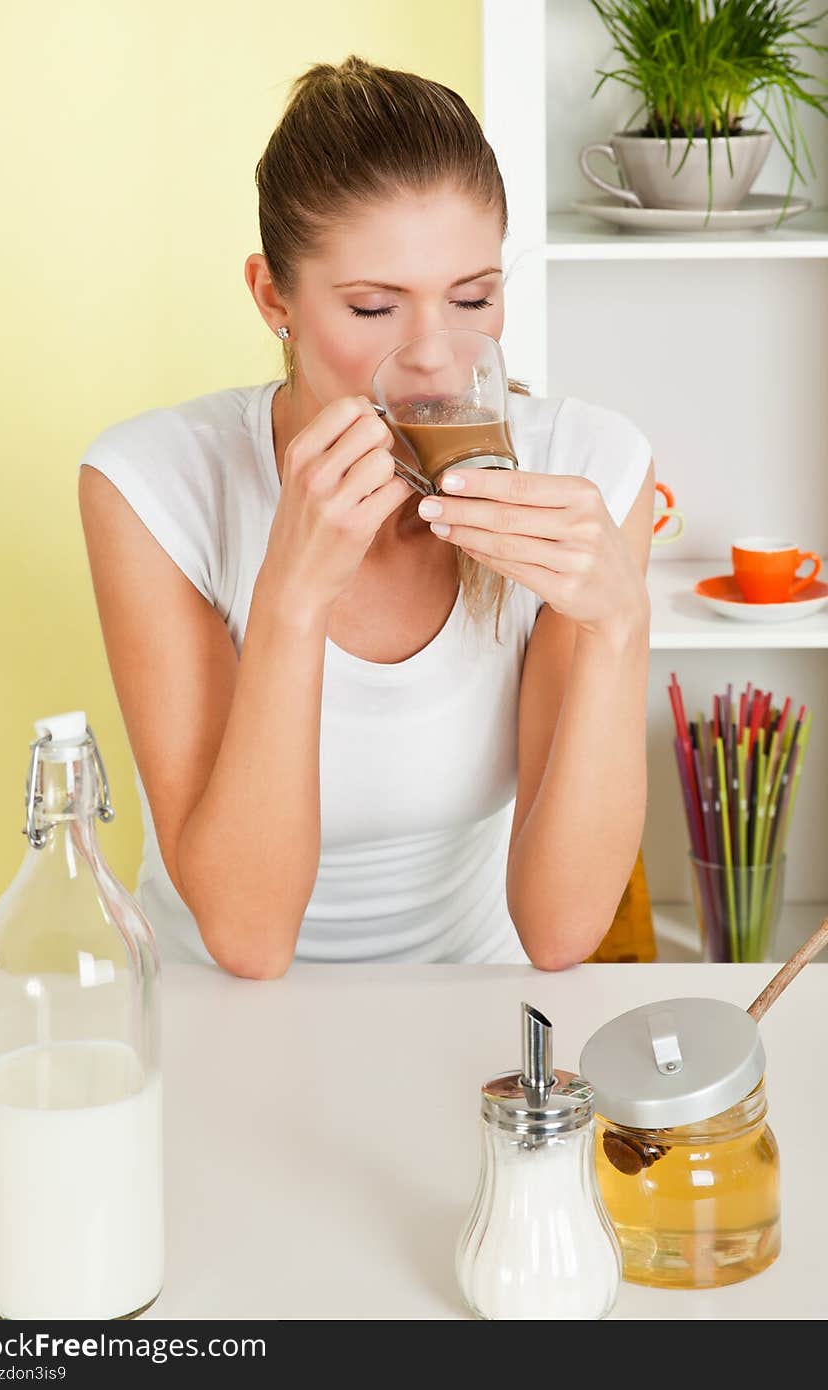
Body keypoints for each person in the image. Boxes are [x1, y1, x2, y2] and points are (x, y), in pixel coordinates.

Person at [78, 56, 654, 976]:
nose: (432, 357)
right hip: (216, 1009)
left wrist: (620, 625)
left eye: (473, 299)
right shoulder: (152, 484)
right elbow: (250, 940)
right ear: (276, 298)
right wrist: (291, 599)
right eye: (375, 306)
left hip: (474, 1007)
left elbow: (560, 931)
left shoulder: (585, 470)